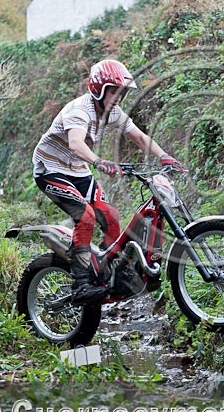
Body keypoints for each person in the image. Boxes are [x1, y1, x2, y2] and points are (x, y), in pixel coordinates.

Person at [32, 59, 186, 303]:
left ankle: (110, 272)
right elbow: (75, 143)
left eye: (120, 92)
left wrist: (164, 156)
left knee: (111, 216)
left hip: (78, 170)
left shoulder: (113, 112)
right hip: (51, 169)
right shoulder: (79, 110)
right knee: (86, 217)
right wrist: (98, 161)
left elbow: (139, 136)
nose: (117, 97)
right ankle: (81, 283)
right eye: (113, 91)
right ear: (98, 89)